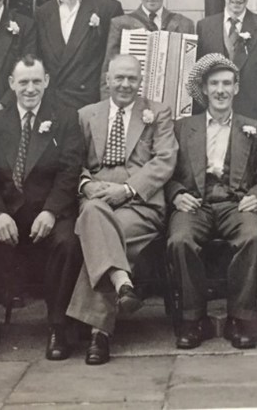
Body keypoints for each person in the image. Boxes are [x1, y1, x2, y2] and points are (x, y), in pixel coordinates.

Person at [0, 55, 84, 363]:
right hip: (5, 212)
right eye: (24, 82)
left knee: (67, 243)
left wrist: (52, 211)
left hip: (47, 212)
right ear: (12, 84)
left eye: (36, 81)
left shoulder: (65, 118)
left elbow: (70, 171)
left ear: (47, 82)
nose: (30, 89)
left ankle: (58, 327)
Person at [66, 54, 177, 365]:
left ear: (140, 81)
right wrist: (86, 185)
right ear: (108, 79)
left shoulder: (157, 113)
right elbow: (72, 162)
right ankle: (120, 286)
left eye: (132, 78)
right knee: (93, 215)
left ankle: (97, 331)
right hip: (97, 197)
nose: (126, 84)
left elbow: (165, 160)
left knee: (100, 235)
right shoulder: (86, 115)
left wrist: (127, 189)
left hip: (140, 203)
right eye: (120, 78)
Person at [165, 53, 257, 350]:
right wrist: (177, 194)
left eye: (227, 83)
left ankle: (240, 317)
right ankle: (195, 320)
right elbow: (165, 171)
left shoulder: (253, 128)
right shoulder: (183, 127)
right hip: (196, 202)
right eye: (214, 84)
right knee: (180, 240)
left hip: (235, 203)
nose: (221, 90)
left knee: (253, 235)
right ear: (205, 89)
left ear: (236, 88)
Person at [34, 0, 123, 110]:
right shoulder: (43, 13)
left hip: (90, 104)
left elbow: (114, 61)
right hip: (52, 103)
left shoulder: (107, 8)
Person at [99, 0, 195, 99]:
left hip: (171, 105)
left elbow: (192, 74)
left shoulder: (184, 25)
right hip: (132, 105)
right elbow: (108, 73)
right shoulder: (121, 24)